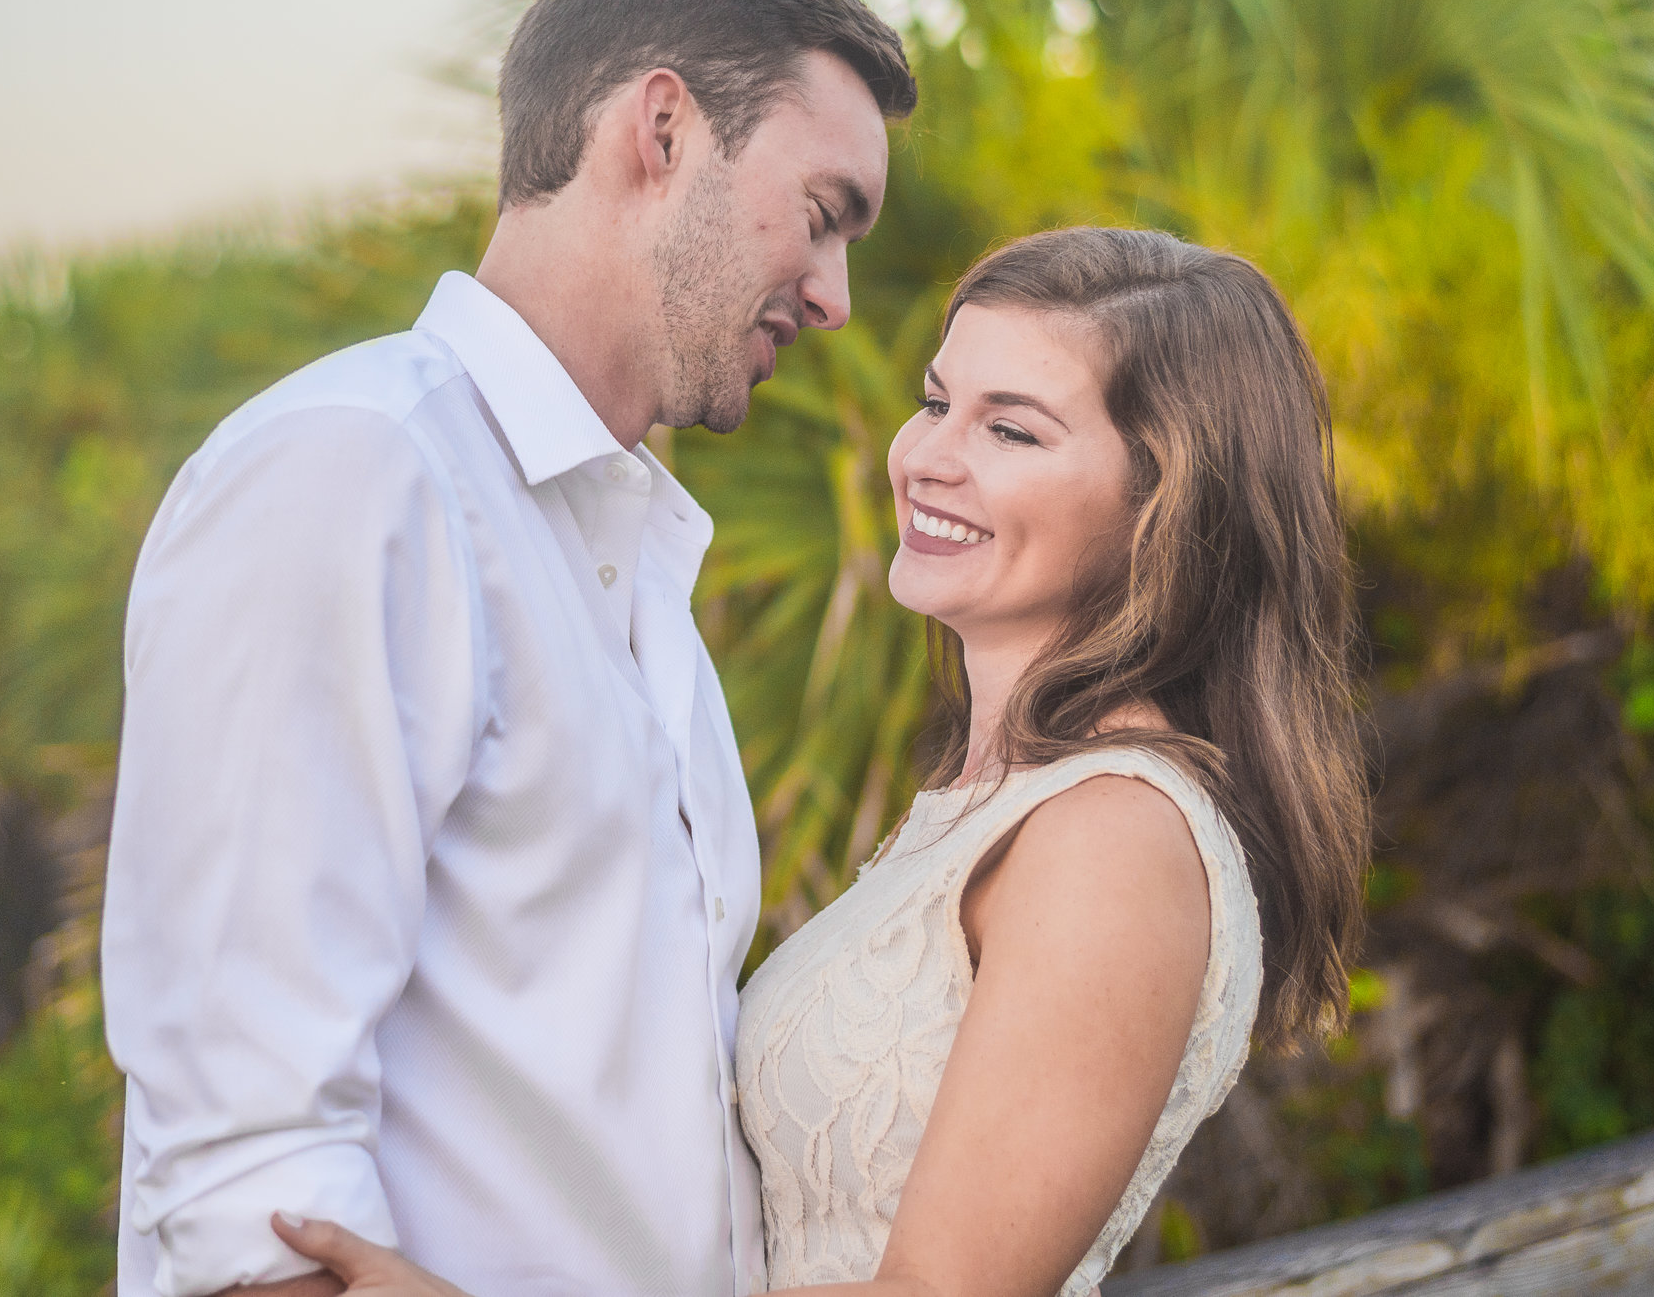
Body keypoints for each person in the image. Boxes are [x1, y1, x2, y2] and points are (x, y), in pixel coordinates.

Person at [276, 226, 1372, 1296]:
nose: (927, 458)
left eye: (1013, 432)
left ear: (1164, 506)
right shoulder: (1000, 800)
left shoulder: (1113, 837)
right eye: (938, 401)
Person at [99, 0, 917, 1297]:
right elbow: (253, 1192)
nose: (834, 297)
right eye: (823, 214)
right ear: (662, 131)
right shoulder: (357, 474)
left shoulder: (632, 560)